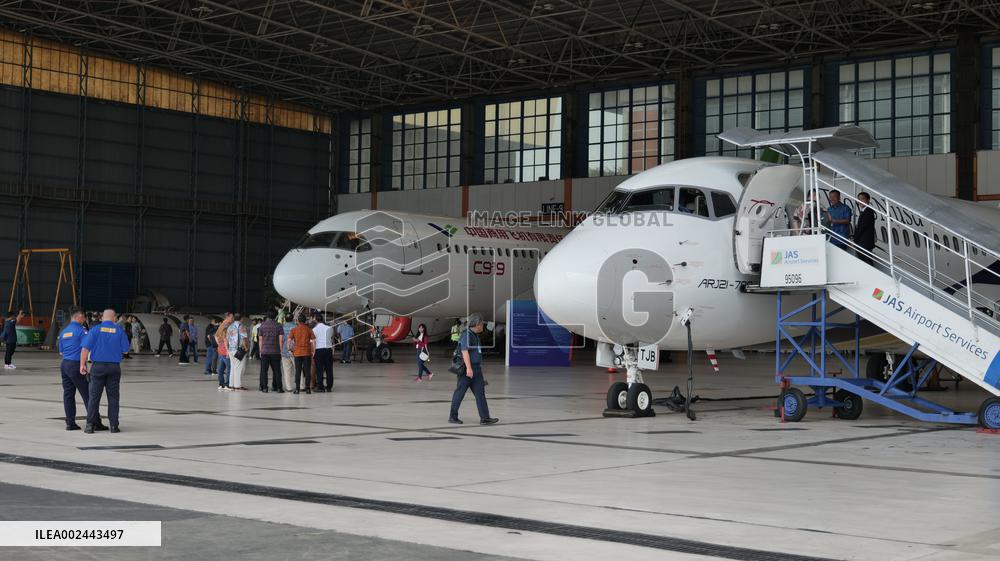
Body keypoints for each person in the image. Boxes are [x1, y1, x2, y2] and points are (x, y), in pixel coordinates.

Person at [80, 309, 130, 433]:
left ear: (102, 318)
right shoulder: (119, 330)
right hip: (114, 367)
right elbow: (126, 351)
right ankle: (114, 426)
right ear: (114, 318)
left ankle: (90, 425)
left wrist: (82, 365)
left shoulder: (95, 330)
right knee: (113, 397)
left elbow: (85, 349)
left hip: (98, 367)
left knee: (94, 397)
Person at [57, 308, 106, 431]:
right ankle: (95, 422)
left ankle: (70, 423)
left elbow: (61, 352)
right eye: (84, 317)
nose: (85, 319)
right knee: (88, 394)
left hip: (65, 365)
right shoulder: (82, 331)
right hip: (76, 365)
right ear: (79, 316)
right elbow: (87, 347)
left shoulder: (64, 332)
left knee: (68, 394)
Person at [449, 313, 498, 425]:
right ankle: (453, 416)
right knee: (460, 393)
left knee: (480, 393)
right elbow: (464, 351)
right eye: (481, 323)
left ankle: (485, 418)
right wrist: (469, 369)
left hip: (476, 370)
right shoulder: (467, 335)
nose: (482, 325)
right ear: (476, 324)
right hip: (467, 370)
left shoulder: (474, 335)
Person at [257, 310, 284, 393]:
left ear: (267, 316)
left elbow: (260, 340)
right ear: (275, 316)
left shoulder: (262, 325)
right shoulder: (279, 326)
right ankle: (278, 387)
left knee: (263, 370)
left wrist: (260, 351)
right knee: (277, 370)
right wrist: (281, 351)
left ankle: (264, 387)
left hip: (265, 351)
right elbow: (281, 340)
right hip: (275, 351)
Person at [287, 314, 315, 394]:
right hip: (307, 353)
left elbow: (289, 340)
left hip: (297, 353)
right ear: (305, 321)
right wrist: (313, 350)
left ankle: (297, 389)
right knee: (307, 371)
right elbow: (313, 341)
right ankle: (308, 389)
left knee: (298, 371)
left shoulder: (294, 329)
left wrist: (289, 349)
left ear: (298, 321)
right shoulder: (309, 329)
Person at [854, 191, 877, 265]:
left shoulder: (868, 211)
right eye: (859, 199)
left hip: (865, 242)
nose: (860, 201)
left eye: (862, 199)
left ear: (868, 200)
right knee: (864, 261)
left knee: (866, 262)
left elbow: (862, 227)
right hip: (863, 242)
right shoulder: (864, 211)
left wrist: (855, 238)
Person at [227, 313, 249, 390]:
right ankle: (237, 385)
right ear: (241, 318)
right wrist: (246, 348)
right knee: (239, 368)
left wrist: (228, 349)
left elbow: (227, 339)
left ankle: (231, 384)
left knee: (233, 367)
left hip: (231, 350)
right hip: (238, 350)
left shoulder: (230, 326)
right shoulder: (242, 326)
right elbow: (244, 338)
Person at [312, 313, 334, 392]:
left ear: (316, 320)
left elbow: (312, 341)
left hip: (318, 350)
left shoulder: (314, 329)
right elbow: (331, 337)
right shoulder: (329, 328)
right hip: (328, 349)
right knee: (329, 369)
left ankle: (320, 387)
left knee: (319, 369)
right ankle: (329, 387)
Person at [280, 315, 296, 393]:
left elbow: (281, 340)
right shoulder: (296, 327)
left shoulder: (282, 328)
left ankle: (289, 387)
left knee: (286, 370)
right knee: (299, 369)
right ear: (292, 319)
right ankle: (302, 385)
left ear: (285, 319)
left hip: (284, 351)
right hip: (296, 351)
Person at [216, 317, 231, 391]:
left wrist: (219, 344)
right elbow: (225, 340)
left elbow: (215, 336)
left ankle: (221, 384)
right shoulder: (225, 328)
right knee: (229, 368)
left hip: (220, 350)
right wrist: (227, 350)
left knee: (221, 369)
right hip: (225, 351)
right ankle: (227, 384)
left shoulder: (220, 327)